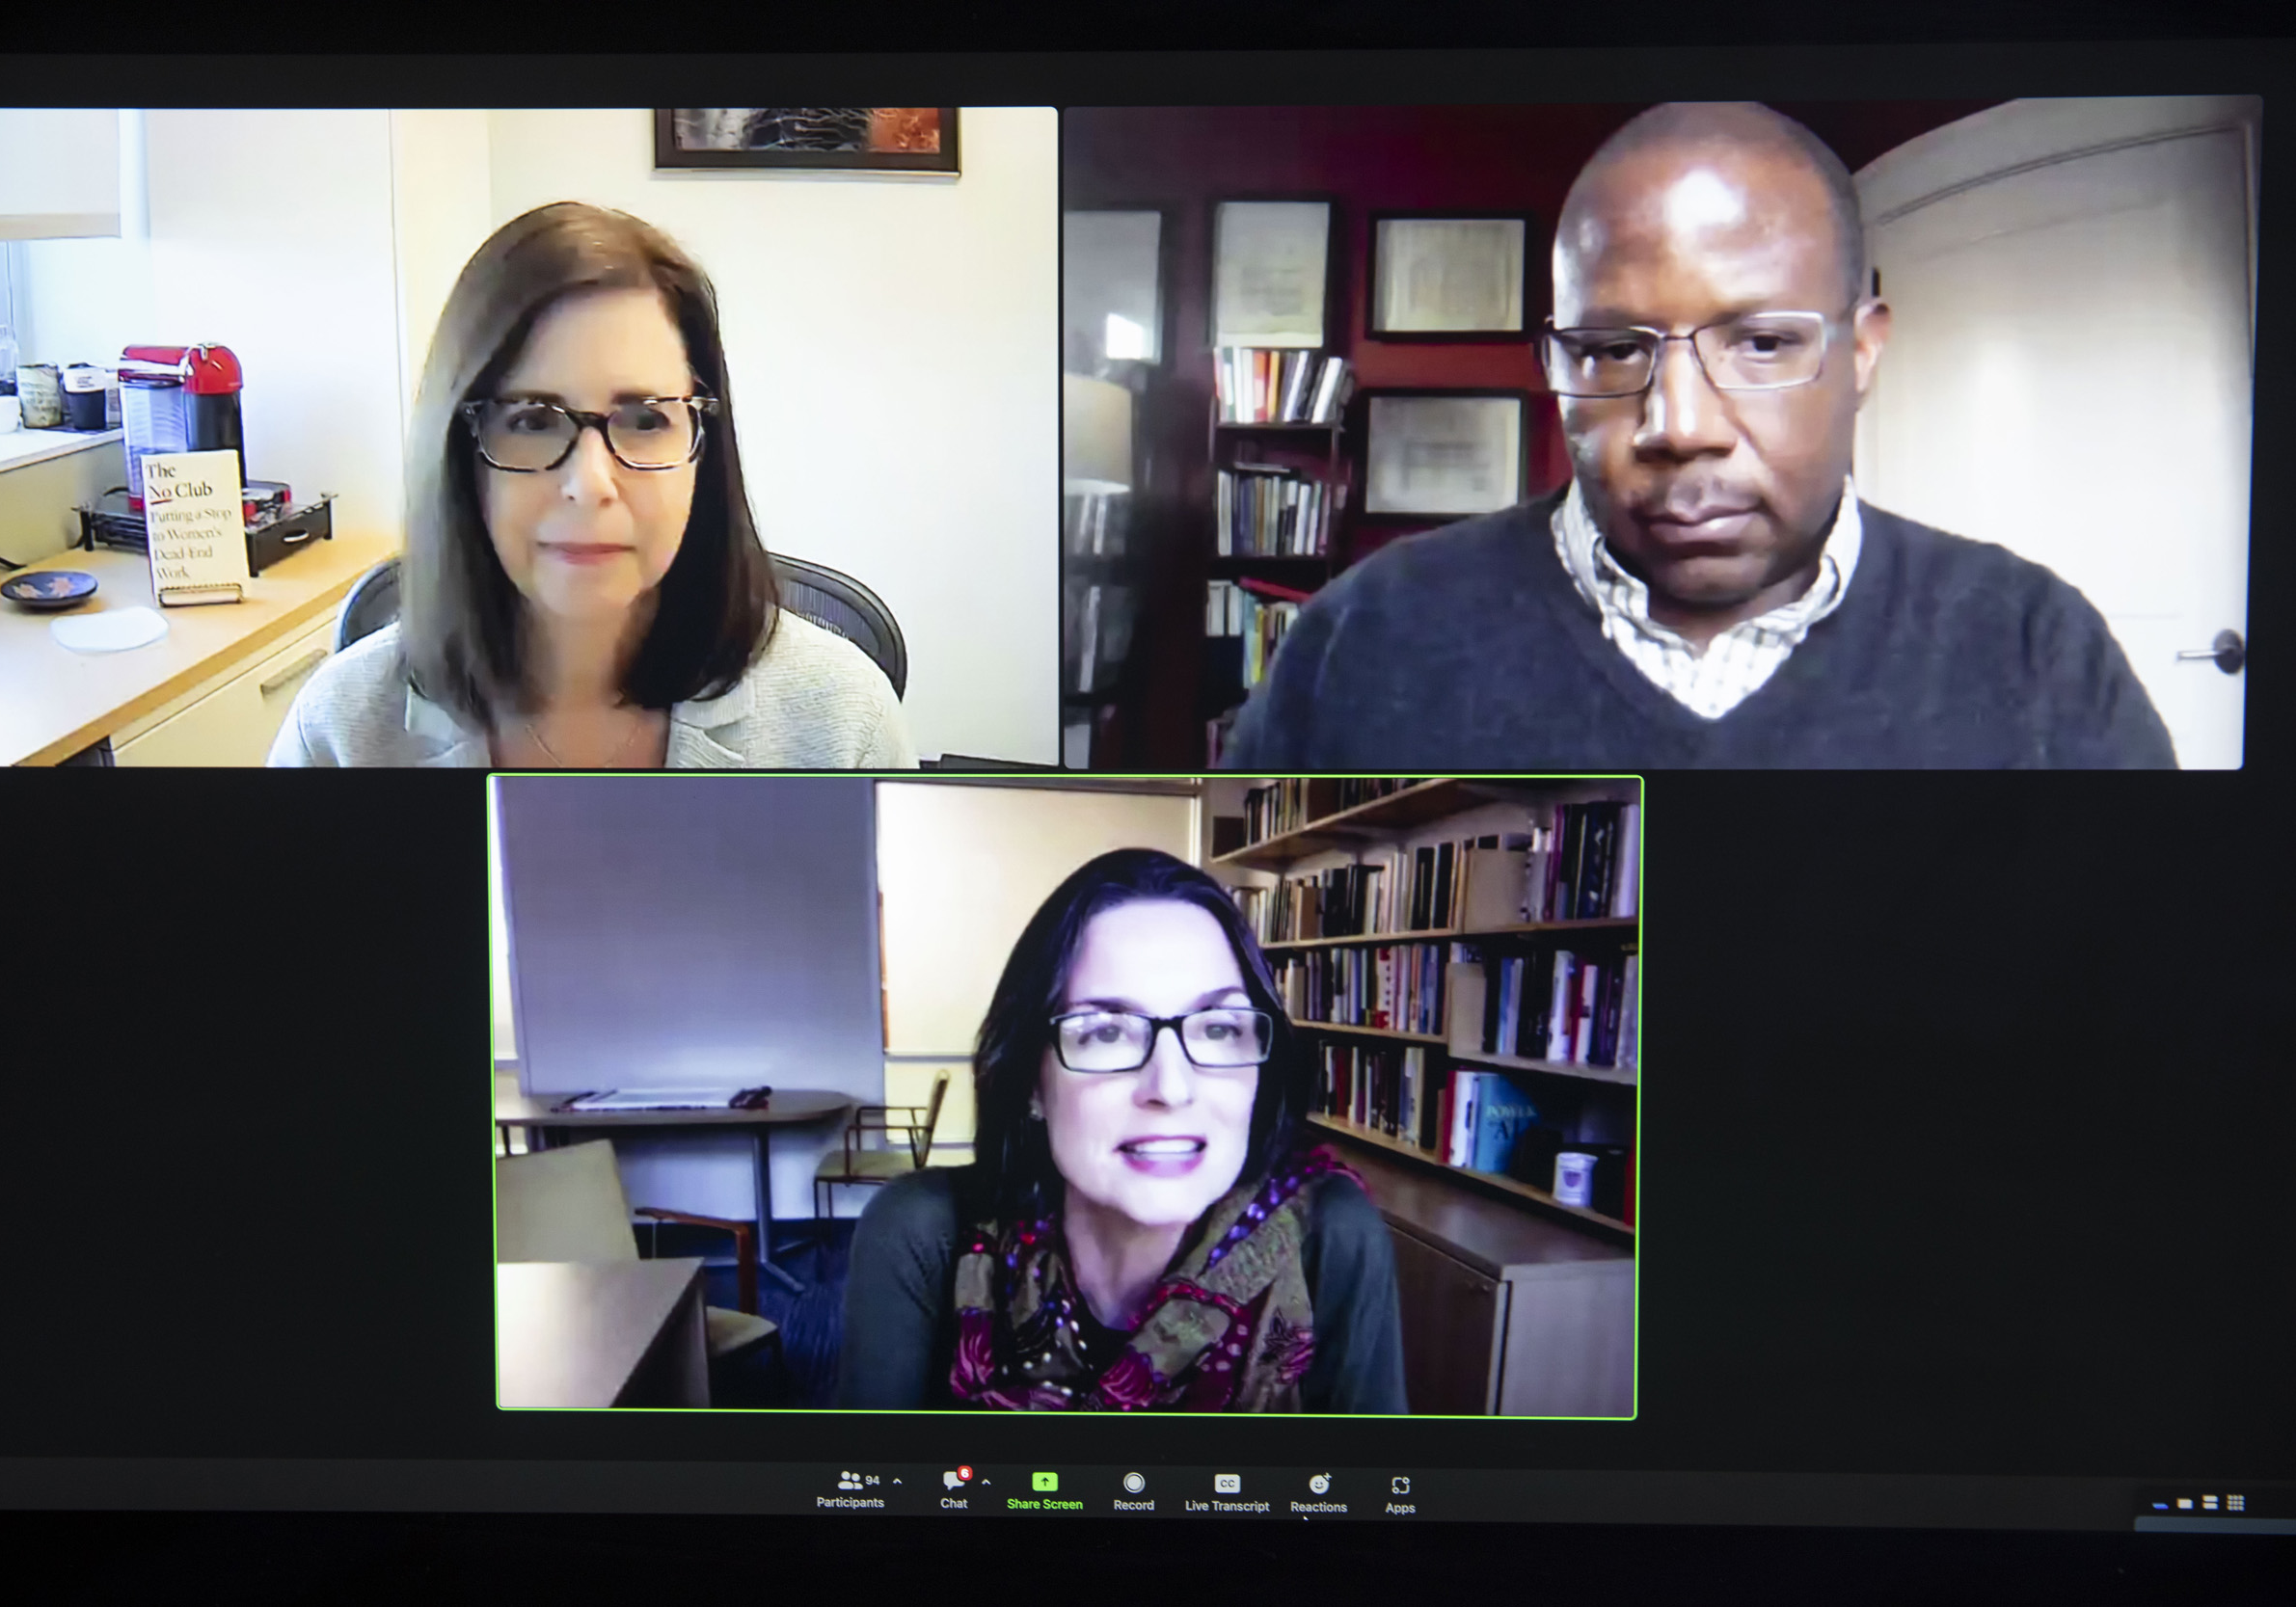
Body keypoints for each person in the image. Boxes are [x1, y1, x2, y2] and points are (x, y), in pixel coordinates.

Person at [1223, 102, 2176, 769]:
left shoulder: (2036, 652)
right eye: (1607, 349)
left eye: (1761, 343)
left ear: (1862, 351)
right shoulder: (1362, 639)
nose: (1678, 427)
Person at [271, 201, 915, 767]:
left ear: (703, 450)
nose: (591, 483)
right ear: (459, 452)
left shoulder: (842, 723)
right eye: (530, 420)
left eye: (643, 419)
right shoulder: (339, 734)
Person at [836, 848, 1406, 1412]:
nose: (1172, 1087)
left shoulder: (1327, 1236)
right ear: (1031, 1080)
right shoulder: (925, 1235)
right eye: (1106, 1033)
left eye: (1218, 1028)